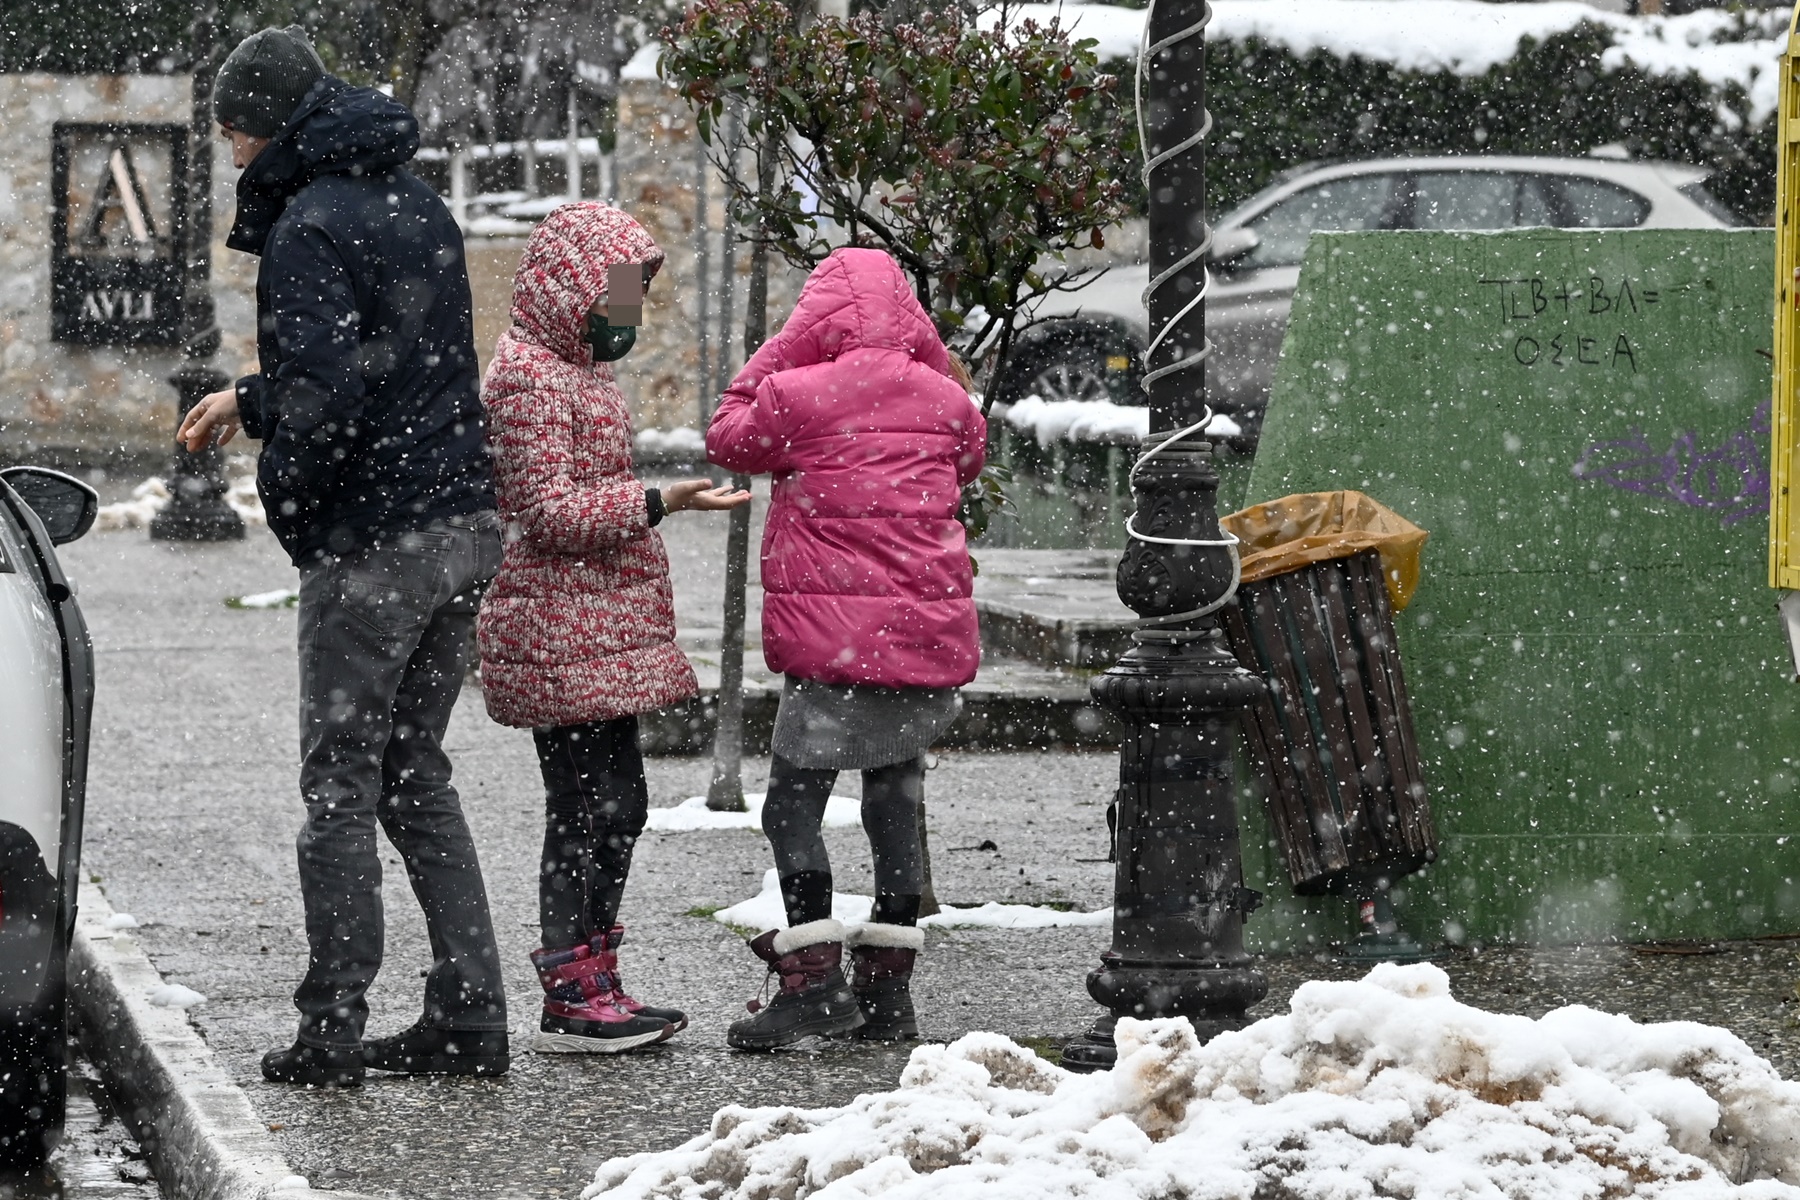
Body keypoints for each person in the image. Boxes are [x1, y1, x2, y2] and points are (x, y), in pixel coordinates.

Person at [177, 27, 508, 1086]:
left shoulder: (310, 226)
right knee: (417, 775)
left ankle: (331, 1028)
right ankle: (469, 1013)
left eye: (232, 131)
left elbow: (329, 397)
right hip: (462, 522)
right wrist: (258, 399)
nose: (230, 154)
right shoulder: (422, 204)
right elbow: (411, 364)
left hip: (378, 538)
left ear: (266, 125)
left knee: (342, 786)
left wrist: (308, 518)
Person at [477, 202, 748, 1052]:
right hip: (558, 624)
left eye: (634, 296)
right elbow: (547, 510)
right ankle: (573, 987)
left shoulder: (582, 369)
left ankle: (593, 973)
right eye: (618, 295)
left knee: (610, 804)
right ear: (573, 288)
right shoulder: (527, 376)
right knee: (594, 805)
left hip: (598, 625)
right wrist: (660, 500)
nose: (627, 315)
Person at [705, 246, 987, 1050]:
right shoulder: (945, 397)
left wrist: (784, 349)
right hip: (921, 640)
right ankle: (889, 997)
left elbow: (728, 436)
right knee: (892, 803)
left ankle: (815, 983)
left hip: (837, 647)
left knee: (791, 806)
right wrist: (928, 360)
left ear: (816, 316)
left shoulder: (795, 394)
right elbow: (968, 457)